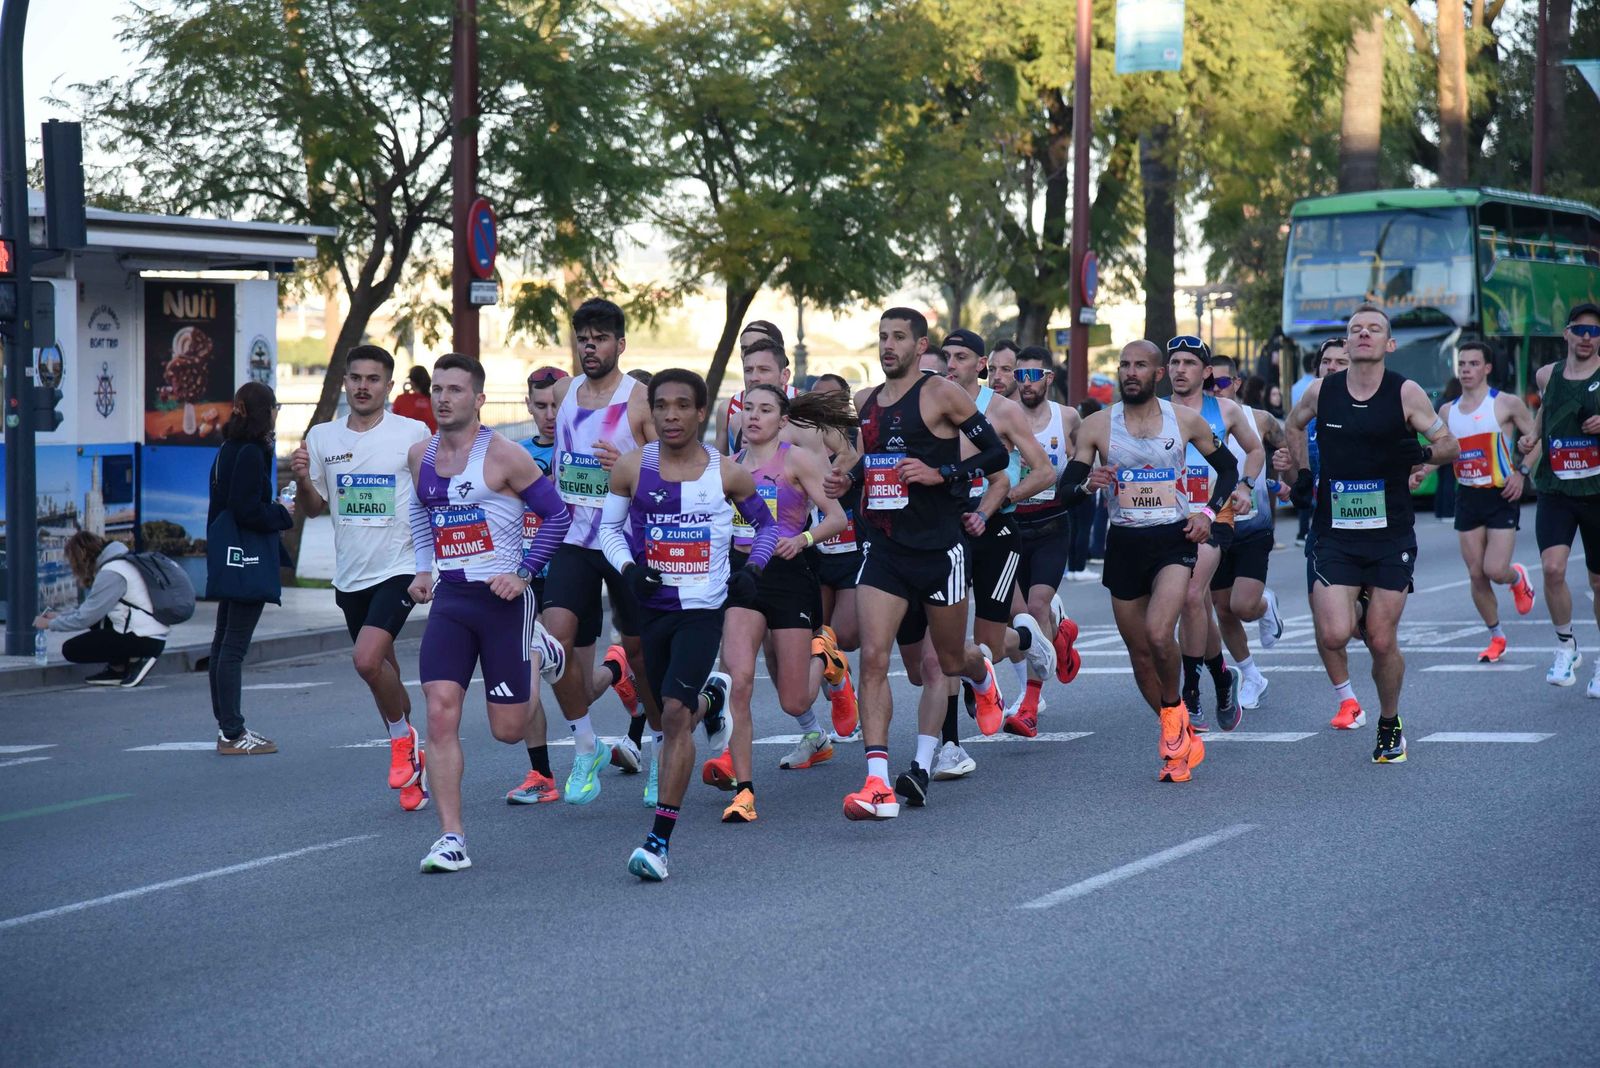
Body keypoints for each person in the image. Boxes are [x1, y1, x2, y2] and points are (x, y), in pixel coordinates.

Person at [824, 307, 1007, 818]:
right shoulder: (866, 401)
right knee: (873, 659)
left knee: (947, 662)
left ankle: (980, 673)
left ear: (920, 346)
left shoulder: (941, 393)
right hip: (885, 549)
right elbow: (873, 463)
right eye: (883, 336)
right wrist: (847, 480)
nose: (888, 345)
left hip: (940, 549)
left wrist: (940, 473)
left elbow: (995, 456)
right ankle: (879, 782)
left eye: (899, 337)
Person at [598, 368, 776, 881]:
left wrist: (753, 570)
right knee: (665, 713)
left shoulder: (727, 474)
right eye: (661, 406)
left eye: (682, 405)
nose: (670, 415)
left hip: (703, 608)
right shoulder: (631, 468)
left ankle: (658, 842)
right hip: (653, 608)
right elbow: (609, 529)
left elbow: (766, 527)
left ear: (701, 412)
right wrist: (630, 570)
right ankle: (713, 700)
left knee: (675, 717)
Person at [407, 353, 571, 873]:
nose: (443, 398)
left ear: (478, 399)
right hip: (452, 600)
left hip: (504, 601)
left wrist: (523, 572)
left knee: (508, 730)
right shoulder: (420, 455)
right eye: (437, 388)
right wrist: (423, 568)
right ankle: (451, 838)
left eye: (455, 389)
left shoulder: (504, 456)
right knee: (439, 712)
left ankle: (539, 649)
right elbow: (420, 510)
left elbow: (557, 515)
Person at [1054, 340, 1239, 782]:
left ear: (1158, 374)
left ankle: (1175, 721)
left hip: (1172, 539)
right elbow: (1066, 491)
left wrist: (1207, 514)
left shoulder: (1185, 421)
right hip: (1124, 543)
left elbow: (1229, 468)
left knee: (1159, 634)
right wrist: (1088, 484)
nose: (1130, 372)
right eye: (1124, 365)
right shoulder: (1098, 425)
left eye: (1140, 365)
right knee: (1140, 654)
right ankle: (1178, 730)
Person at [1285, 304, 1458, 762]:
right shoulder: (1322, 391)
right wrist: (1302, 474)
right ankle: (1358, 607)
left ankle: (1388, 722)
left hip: (1390, 535)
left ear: (1389, 343)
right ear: (1346, 341)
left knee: (1381, 640)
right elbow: (1292, 424)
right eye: (1356, 329)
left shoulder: (1406, 392)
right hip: (1335, 533)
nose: (1364, 334)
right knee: (1334, 634)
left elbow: (1450, 445)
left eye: (1374, 329)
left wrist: (1419, 453)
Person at [698, 385, 854, 823]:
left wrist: (801, 539)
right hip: (744, 576)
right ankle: (744, 792)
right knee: (738, 681)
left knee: (794, 701)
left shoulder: (797, 460)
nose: (753, 416)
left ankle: (826, 658)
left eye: (765, 409)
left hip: (789, 575)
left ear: (782, 420)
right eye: (748, 408)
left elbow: (837, 518)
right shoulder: (728, 467)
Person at [292, 344, 437, 810]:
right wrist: (303, 480)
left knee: (367, 660)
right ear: (345, 382)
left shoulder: (412, 433)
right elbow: (314, 508)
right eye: (355, 378)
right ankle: (414, 762)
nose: (362, 386)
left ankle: (400, 740)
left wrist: (431, 564)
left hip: (399, 567)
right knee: (383, 674)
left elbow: (434, 494)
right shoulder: (322, 437)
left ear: (389, 386)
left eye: (373, 379)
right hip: (351, 573)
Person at [544, 298, 662, 806]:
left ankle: (660, 749)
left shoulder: (640, 398)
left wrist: (631, 463)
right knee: (554, 645)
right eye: (583, 339)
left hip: (624, 541)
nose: (590, 347)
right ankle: (585, 743)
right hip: (573, 539)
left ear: (620, 344)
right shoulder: (564, 392)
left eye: (600, 339)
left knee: (639, 653)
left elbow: (672, 464)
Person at [941, 333, 1060, 738]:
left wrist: (1003, 497)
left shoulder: (1002, 410)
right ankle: (952, 739)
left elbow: (1044, 471)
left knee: (987, 644)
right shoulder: (932, 405)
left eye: (961, 357)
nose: (951, 364)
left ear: (980, 365)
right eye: (946, 356)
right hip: (945, 531)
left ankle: (1026, 639)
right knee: (947, 640)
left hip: (996, 529)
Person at [1165, 336, 1263, 733]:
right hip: (1167, 516)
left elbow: (1255, 451)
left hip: (1214, 513)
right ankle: (1223, 675)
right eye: (1174, 362)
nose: (1180, 369)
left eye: (1189, 363)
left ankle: (1190, 694)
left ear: (1206, 371)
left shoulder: (1225, 410)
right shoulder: (1155, 411)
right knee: (1199, 606)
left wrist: (1246, 485)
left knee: (1191, 595)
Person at [1421, 342, 1537, 663]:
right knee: (1476, 574)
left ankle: (1517, 578)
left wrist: (1522, 473)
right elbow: (1444, 451)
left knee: (1495, 569)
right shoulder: (1447, 411)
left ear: (1487, 368)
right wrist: (1422, 471)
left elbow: (1537, 438)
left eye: (1473, 364)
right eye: (1462, 364)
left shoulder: (1506, 404)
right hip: (1468, 496)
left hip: (1501, 494)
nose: (1466, 370)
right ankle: (1496, 636)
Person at [207, 381, 293, 756]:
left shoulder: (228, 448)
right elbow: (246, 510)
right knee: (233, 648)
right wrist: (281, 513)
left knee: (223, 643)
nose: (276, 414)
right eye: (275, 407)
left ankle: (227, 728)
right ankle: (233, 732)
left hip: (228, 556)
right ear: (266, 412)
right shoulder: (251, 452)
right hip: (247, 559)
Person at [1002, 344, 1085, 732]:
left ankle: (1030, 707)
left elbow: (1085, 460)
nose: (1025, 383)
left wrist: (1086, 482)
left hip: (1052, 525)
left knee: (1035, 607)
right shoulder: (1003, 415)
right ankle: (1061, 631)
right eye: (1020, 376)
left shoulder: (1067, 417)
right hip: (1012, 527)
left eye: (1032, 376)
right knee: (1017, 616)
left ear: (1048, 378)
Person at [1518, 302, 1600, 692]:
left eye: (1594, 332)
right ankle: (1566, 646)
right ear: (1566, 333)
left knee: (1598, 582)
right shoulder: (1547, 374)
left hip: (1597, 490)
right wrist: (1532, 437)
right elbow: (1548, 410)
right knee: (1552, 569)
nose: (1586, 337)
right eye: (1579, 330)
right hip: (1555, 487)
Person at [504, 364, 573, 804]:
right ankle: (542, 774)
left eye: (557, 406)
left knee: (570, 680)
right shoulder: (514, 454)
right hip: (524, 577)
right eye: (541, 405)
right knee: (528, 668)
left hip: (568, 572)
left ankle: (617, 672)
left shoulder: (581, 451)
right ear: (528, 405)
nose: (549, 415)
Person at [1205, 355, 1290, 711]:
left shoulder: (1261, 419)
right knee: (1223, 609)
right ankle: (1251, 676)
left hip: (1253, 525)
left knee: (1242, 605)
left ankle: (1265, 604)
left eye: (1222, 383)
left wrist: (1285, 478)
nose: (1215, 390)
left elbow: (1286, 450)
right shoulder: (1193, 420)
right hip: (1212, 524)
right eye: (1209, 384)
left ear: (1237, 384)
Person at [34, 531, 167, 687]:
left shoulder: (112, 572)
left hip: (145, 638)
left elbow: (86, 618)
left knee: (71, 649)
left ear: (82, 556)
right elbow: (92, 608)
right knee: (99, 620)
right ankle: (117, 670)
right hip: (150, 633)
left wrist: (50, 624)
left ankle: (139, 659)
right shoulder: (123, 562)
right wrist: (59, 616)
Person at [808, 373, 864, 741]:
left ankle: (841, 682)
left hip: (853, 552)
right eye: (817, 399)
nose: (824, 406)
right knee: (816, 640)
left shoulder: (857, 440)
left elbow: (858, 464)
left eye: (832, 399)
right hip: (816, 551)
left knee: (846, 635)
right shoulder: (803, 443)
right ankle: (843, 691)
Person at [717, 320, 794, 455]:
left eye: (760, 346)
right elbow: (718, 464)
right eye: (744, 348)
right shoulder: (728, 409)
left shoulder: (803, 404)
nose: (752, 352)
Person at [392, 364, 437, 431]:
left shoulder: (402, 399)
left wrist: (405, 395)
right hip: (431, 437)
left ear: (412, 382)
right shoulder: (434, 400)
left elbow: (393, 421)